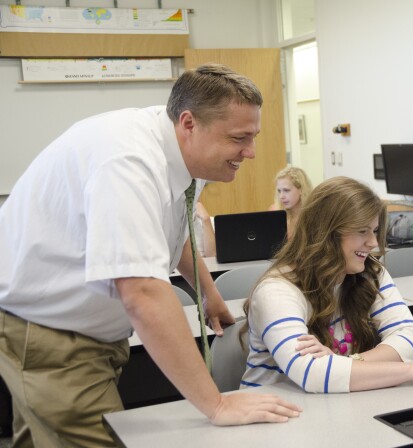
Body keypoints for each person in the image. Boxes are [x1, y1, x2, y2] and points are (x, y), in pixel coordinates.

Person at [0, 64, 301, 447]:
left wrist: (207, 292)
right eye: (240, 138)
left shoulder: (185, 150)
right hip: (53, 334)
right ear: (189, 123)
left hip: (85, 331)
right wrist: (216, 405)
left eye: (253, 136)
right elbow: (141, 293)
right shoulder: (128, 163)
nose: (251, 152)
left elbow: (171, 230)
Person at [241, 176, 413, 393]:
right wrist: (411, 371)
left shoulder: (369, 272)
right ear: (326, 233)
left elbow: (410, 339)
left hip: (336, 405)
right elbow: (312, 374)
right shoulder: (276, 291)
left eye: (374, 231)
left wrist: (347, 363)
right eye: (362, 231)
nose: (373, 242)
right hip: (271, 418)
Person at [268, 166, 313, 239]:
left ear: (301, 190)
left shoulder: (313, 214)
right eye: (279, 191)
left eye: (286, 190)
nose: (281, 196)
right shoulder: (274, 211)